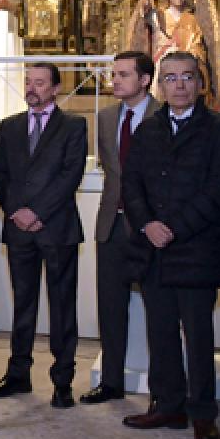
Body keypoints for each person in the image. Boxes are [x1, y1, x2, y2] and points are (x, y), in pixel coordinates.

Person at [121, 51, 220, 439]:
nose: (179, 85)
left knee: (198, 336)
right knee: (161, 333)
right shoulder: (149, 130)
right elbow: (131, 184)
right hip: (153, 249)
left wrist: (173, 228)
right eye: (170, 78)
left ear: (200, 82)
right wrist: (147, 224)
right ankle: (168, 404)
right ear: (160, 85)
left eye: (187, 77)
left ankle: (203, 414)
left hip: (196, 249)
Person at [0, 63, 87, 408]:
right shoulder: (9, 126)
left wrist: (39, 212)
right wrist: (16, 212)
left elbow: (70, 174)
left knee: (62, 307)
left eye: (40, 83)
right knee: (23, 305)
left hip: (57, 229)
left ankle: (63, 381)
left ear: (56, 88)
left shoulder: (74, 125)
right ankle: (18, 375)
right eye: (29, 82)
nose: (32, 88)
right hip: (19, 230)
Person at [81, 51, 157, 404]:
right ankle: (111, 381)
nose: (115, 81)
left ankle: (164, 386)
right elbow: (113, 171)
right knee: (110, 308)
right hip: (111, 225)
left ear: (144, 80)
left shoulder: (163, 116)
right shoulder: (106, 117)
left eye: (124, 75)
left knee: (160, 310)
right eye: (114, 74)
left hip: (152, 228)